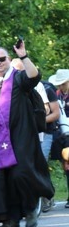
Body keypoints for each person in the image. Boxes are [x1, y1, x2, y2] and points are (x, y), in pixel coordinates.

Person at [0, 45, 55, 227]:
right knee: (3, 178)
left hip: (21, 135)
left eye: (2, 59)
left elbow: (34, 76)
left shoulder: (18, 77)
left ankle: (31, 207)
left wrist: (23, 56)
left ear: (9, 59)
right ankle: (11, 218)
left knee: (21, 173)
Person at [48, 69, 69, 208]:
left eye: (63, 83)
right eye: (59, 84)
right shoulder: (56, 95)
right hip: (62, 133)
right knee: (65, 164)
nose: (60, 86)